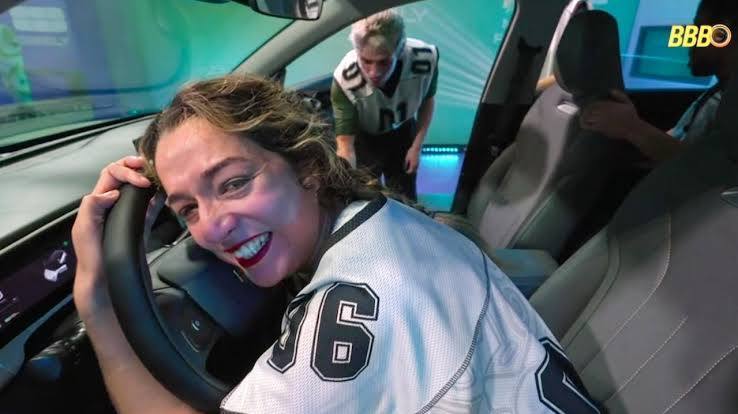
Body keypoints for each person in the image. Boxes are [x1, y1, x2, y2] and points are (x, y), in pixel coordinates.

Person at [72, 74, 599, 413]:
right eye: (188, 208)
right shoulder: (386, 222)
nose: (212, 228)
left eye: (233, 183)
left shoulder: (355, 300)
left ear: (307, 167)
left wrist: (96, 306)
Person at [580, 0, 738, 162]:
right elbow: (681, 142)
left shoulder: (729, 106)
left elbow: (707, 168)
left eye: (698, 30)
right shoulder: (716, 93)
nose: (690, 41)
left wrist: (631, 127)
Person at [331, 9, 438, 201]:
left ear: (399, 50)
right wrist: (347, 185)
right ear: (357, 52)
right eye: (366, 61)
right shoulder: (345, 79)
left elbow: (427, 100)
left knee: (406, 199)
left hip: (403, 133)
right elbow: (345, 144)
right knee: (364, 197)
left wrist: (416, 147)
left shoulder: (425, 59)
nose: (374, 72)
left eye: (383, 62)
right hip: (365, 139)